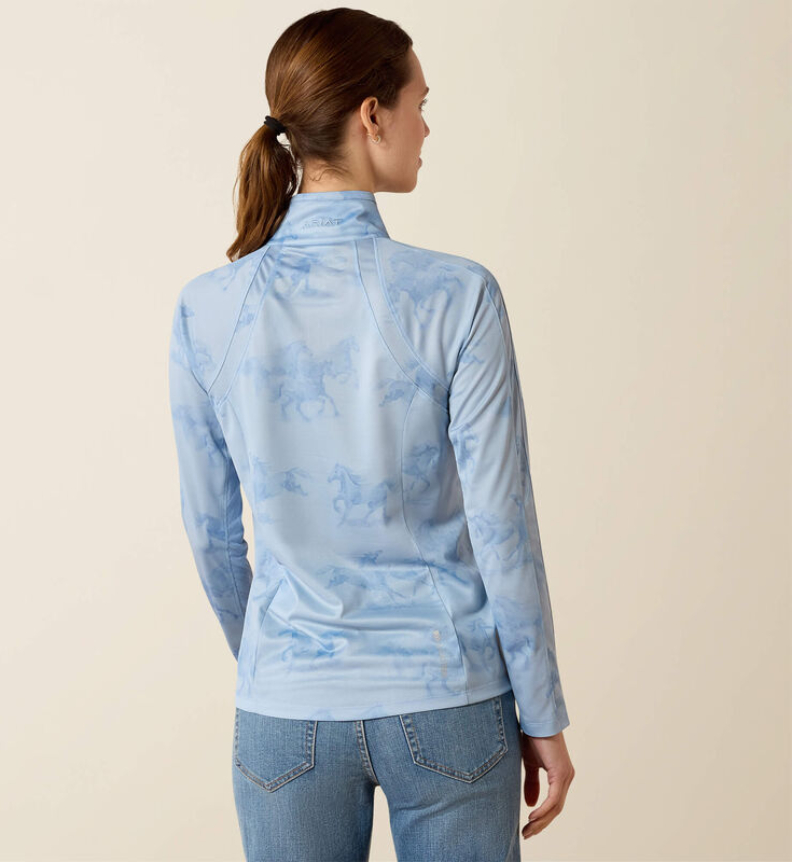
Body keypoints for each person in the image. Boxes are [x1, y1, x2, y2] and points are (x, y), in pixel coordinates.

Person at [168, 8, 575, 861]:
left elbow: (212, 536)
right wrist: (542, 712)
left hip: (284, 710)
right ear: (371, 115)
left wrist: (278, 665)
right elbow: (502, 527)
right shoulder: (457, 296)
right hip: (449, 697)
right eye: (421, 104)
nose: (427, 127)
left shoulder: (207, 308)